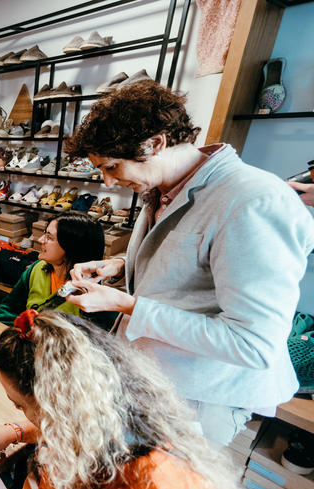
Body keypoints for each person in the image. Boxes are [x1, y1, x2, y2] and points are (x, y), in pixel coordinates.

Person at [62, 80, 314, 446]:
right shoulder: (163, 188)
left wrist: (127, 305)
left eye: (112, 167)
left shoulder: (252, 200)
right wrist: (119, 264)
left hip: (200, 398)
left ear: (156, 143)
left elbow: (252, 343)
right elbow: (196, 260)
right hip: (153, 379)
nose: (108, 182)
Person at [0, 310, 245, 489]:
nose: (20, 413)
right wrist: (14, 432)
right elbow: (73, 432)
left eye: (19, 406)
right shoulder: (106, 412)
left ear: (58, 407)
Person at [0, 213, 115, 329]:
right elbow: (9, 309)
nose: (41, 240)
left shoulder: (92, 293)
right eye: (44, 234)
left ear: (71, 247)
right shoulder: (37, 269)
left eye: (49, 237)